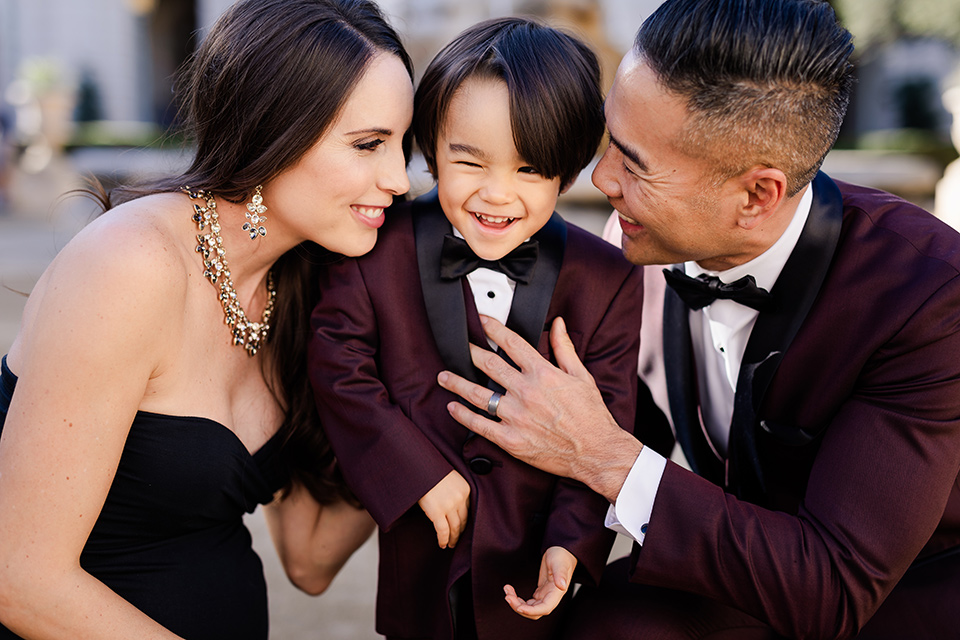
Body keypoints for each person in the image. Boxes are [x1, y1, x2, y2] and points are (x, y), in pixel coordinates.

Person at [436, 0, 960, 638]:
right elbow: (614, 420)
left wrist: (606, 458)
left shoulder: (930, 297)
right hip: (741, 575)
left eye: (636, 164)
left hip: (897, 606)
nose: (601, 178)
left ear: (756, 194)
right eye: (611, 142)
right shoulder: (636, 249)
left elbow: (835, 589)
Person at [0, 0, 414, 638]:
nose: (398, 179)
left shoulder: (310, 287)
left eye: (402, 145)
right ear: (274, 131)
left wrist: (420, 398)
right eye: (368, 145)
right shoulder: (131, 265)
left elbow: (310, 557)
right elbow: (20, 578)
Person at [308, 17, 643, 640]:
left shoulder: (608, 277)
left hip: (536, 569)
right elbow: (337, 367)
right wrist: (413, 472)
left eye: (529, 171)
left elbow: (613, 421)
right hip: (423, 570)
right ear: (432, 147)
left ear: (567, 172)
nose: (497, 194)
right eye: (471, 161)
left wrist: (571, 545)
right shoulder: (375, 246)